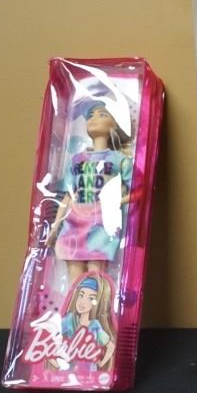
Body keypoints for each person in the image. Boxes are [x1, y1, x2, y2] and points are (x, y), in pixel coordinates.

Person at [47, 99, 133, 282]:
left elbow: (138, 192)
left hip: (101, 223)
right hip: (74, 222)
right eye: (91, 116)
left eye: (102, 115)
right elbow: (68, 196)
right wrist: (55, 227)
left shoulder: (119, 160)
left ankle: (97, 302)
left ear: (115, 125)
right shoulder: (76, 160)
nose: (93, 119)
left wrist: (115, 203)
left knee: (95, 277)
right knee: (74, 279)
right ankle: (71, 303)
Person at [54, 273, 116, 370]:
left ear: (97, 302)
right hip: (68, 369)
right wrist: (56, 362)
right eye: (81, 295)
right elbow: (51, 337)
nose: (83, 302)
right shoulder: (70, 319)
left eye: (91, 298)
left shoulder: (95, 326)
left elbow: (111, 346)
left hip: (89, 371)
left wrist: (102, 363)